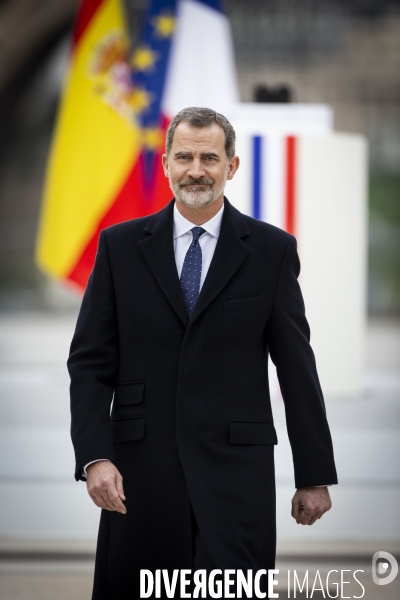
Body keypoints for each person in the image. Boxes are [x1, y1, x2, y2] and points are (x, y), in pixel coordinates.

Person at [68, 107, 337, 600]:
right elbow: (89, 363)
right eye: (185, 156)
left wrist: (314, 475)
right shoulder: (119, 247)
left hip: (237, 477)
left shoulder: (271, 251)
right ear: (166, 163)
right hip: (139, 477)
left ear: (231, 167)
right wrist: (94, 457)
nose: (196, 169)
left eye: (209, 157)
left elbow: (297, 366)